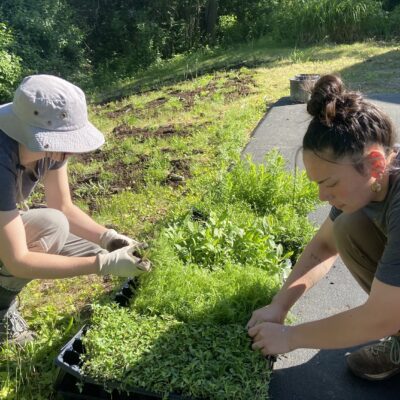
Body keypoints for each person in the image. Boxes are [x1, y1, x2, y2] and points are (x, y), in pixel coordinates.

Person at [247, 74, 400, 381]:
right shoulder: (372, 180)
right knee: (346, 227)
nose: (321, 196)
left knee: (386, 313)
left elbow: (380, 318)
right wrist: (279, 306)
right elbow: (323, 247)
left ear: (374, 163)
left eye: (329, 184)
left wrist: (290, 337)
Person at [0, 74, 151, 345]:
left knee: (55, 222)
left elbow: (63, 207)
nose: (70, 151)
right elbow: (17, 259)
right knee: (48, 227)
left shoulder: (48, 148)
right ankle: (1, 309)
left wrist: (109, 240)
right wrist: (101, 264)